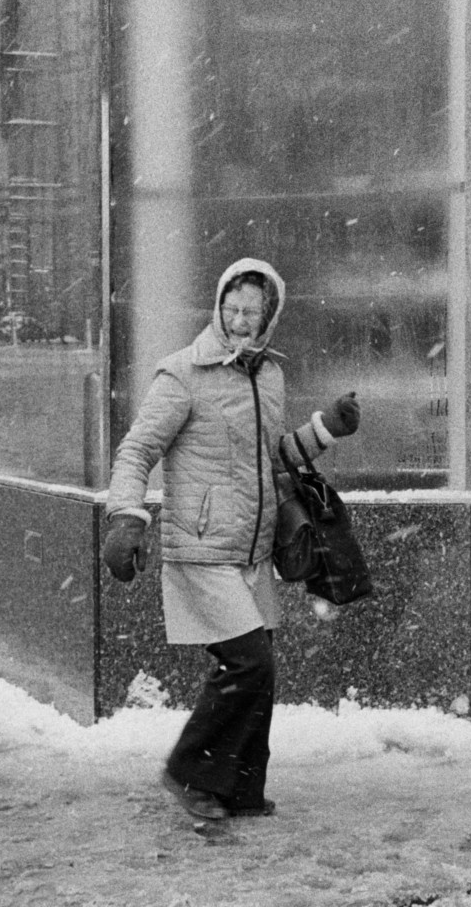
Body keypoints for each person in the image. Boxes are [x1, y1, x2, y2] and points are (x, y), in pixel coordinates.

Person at [101, 257, 362, 820]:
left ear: (270, 315)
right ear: (218, 307)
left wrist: (324, 430)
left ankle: (239, 787)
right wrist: (126, 514)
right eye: (233, 308)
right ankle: (187, 771)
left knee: (259, 669)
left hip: (252, 550)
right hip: (201, 548)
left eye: (254, 311)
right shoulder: (182, 375)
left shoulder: (269, 375)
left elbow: (270, 460)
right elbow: (138, 449)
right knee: (249, 666)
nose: (242, 321)